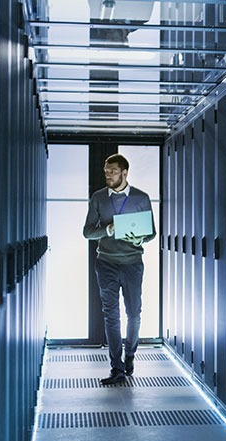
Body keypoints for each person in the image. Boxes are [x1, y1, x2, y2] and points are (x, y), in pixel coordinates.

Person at [82, 153, 156, 385]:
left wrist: (139, 240)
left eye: (112, 171)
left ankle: (130, 355)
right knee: (111, 316)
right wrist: (108, 230)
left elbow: (152, 233)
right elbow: (87, 232)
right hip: (106, 263)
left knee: (134, 313)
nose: (108, 175)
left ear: (124, 173)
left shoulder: (141, 198)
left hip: (133, 263)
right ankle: (117, 367)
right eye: (106, 171)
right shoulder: (98, 198)